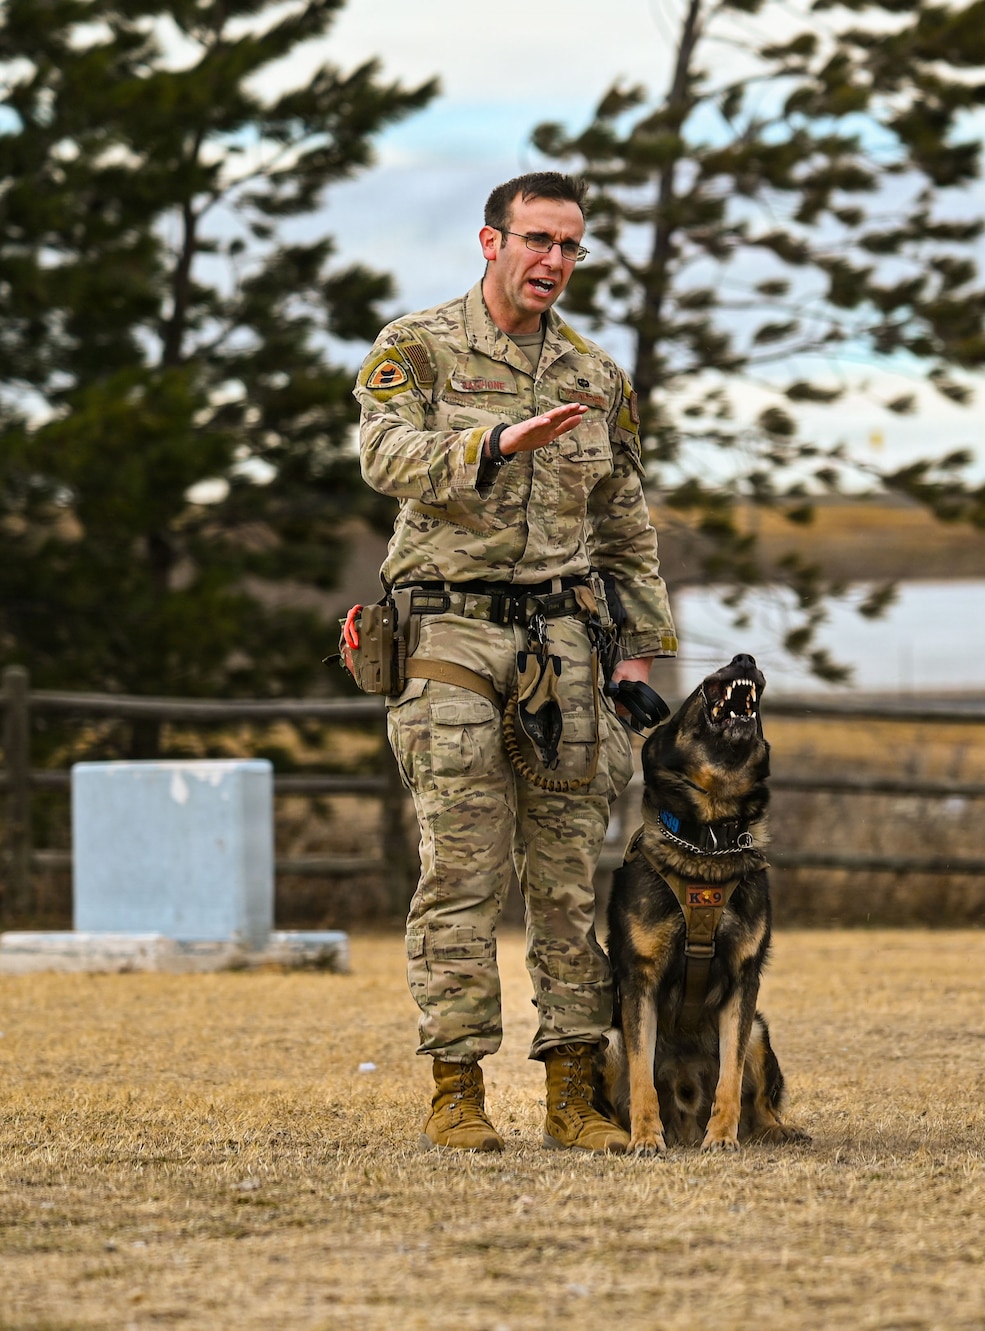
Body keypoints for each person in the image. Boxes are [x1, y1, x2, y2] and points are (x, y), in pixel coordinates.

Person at [355, 172, 677, 1153]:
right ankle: (457, 1088)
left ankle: (573, 1093)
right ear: (489, 241)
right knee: (460, 870)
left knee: (569, 877)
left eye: (572, 246)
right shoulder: (415, 347)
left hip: (565, 642)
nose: (554, 261)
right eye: (538, 239)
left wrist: (636, 657)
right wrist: (490, 443)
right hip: (447, 633)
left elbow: (625, 527)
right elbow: (385, 455)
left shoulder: (595, 376)